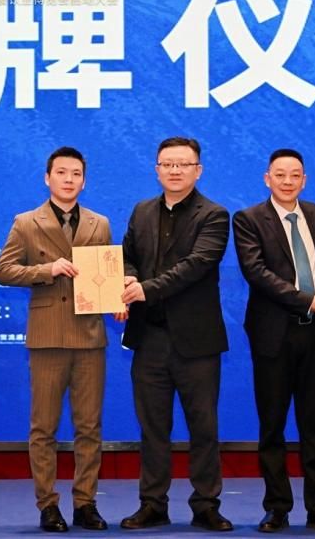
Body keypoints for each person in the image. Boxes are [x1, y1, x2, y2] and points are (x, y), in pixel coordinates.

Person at [233, 149, 315, 535]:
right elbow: (256, 272)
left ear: (305, 180)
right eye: (280, 174)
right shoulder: (249, 219)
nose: (288, 181)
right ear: (267, 178)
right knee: (272, 426)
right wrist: (307, 300)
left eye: (295, 175)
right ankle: (277, 508)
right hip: (274, 334)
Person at [117, 136, 233, 532]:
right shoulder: (142, 211)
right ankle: (152, 504)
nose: (175, 170)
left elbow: (197, 265)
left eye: (183, 164)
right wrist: (128, 279)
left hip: (196, 341)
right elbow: (127, 256)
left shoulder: (214, 215)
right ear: (157, 169)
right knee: (152, 428)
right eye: (167, 164)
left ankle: (206, 504)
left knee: (204, 428)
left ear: (198, 170)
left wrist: (145, 289)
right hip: (148, 337)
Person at [0, 146, 111, 533]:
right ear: (47, 178)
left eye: (76, 173)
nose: (68, 179)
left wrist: (117, 297)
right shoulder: (26, 222)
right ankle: (47, 504)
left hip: (89, 335)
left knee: (89, 427)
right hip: (47, 337)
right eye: (61, 172)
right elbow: (4, 271)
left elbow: (106, 275)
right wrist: (46, 269)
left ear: (84, 181)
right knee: (43, 428)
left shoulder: (100, 223)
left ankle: (85, 503)